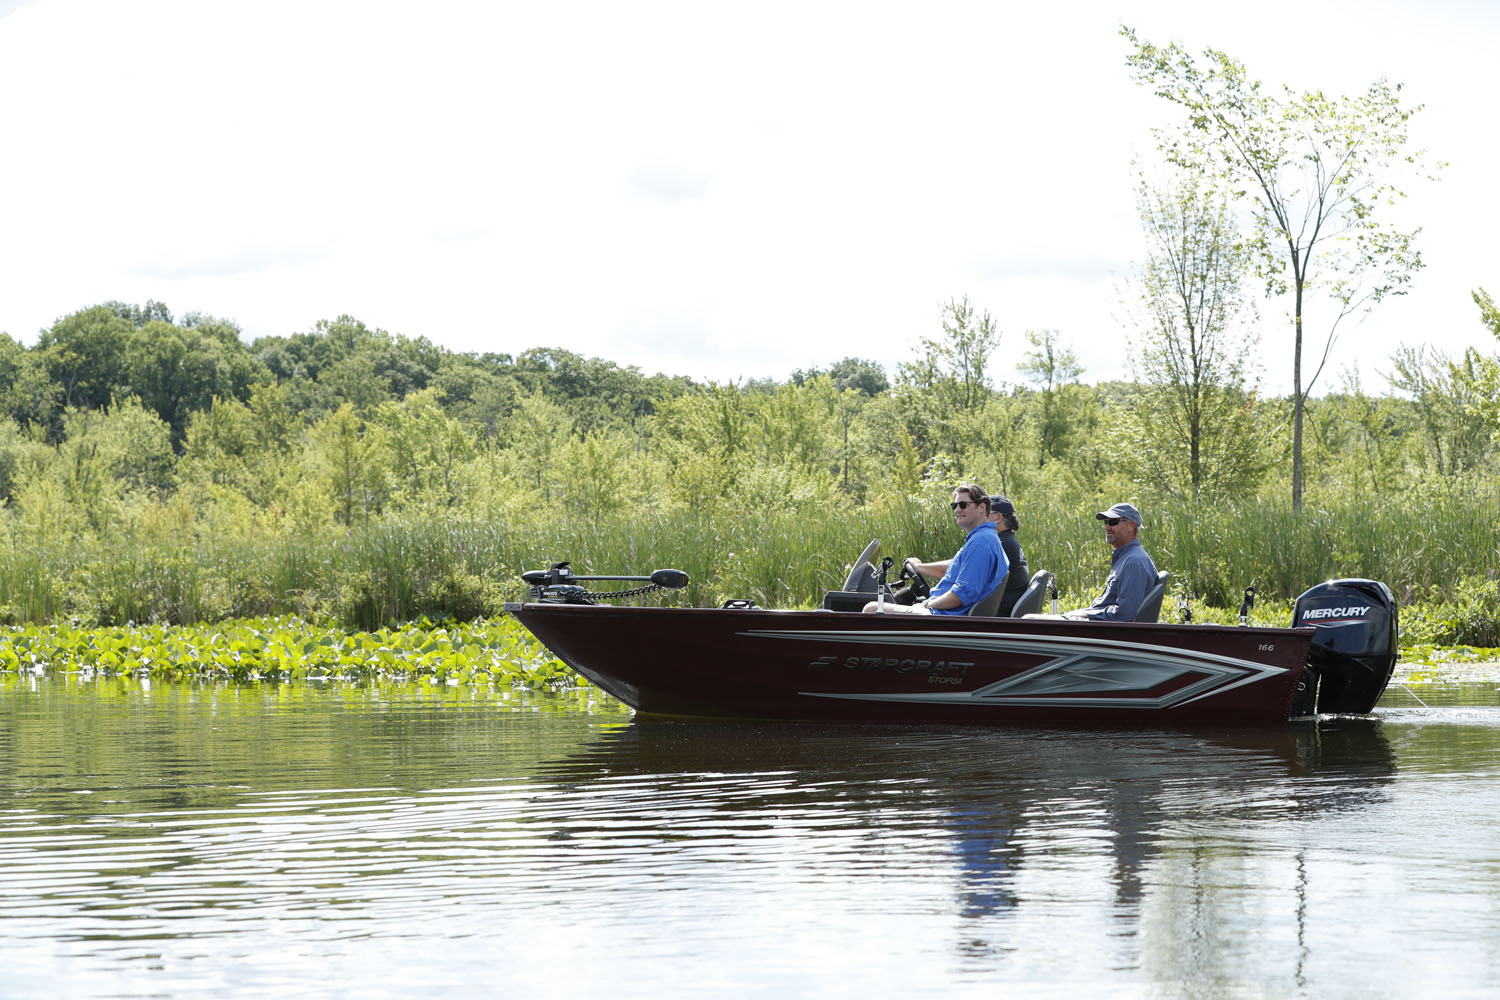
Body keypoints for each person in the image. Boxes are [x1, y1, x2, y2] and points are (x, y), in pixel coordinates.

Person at [863, 483, 1009, 615]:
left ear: (982, 507)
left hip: (944, 618)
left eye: (963, 505)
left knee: (871, 609)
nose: (957, 510)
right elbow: (953, 568)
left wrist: (927, 604)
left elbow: (961, 595)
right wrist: (918, 567)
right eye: (954, 506)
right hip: (945, 614)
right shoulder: (984, 538)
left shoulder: (980, 543)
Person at [925, 495, 1031, 616]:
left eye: (985, 512)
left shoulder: (995, 544)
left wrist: (919, 567)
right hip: (997, 611)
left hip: (991, 617)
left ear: (997, 517)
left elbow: (955, 570)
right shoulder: (1009, 541)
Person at [1060, 502, 1158, 621]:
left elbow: (1124, 615)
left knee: (1031, 619)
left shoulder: (1134, 562)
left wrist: (1086, 615)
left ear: (1131, 525)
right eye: (1105, 522)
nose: (1107, 527)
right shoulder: (1125, 558)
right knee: (1033, 619)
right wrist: (1082, 612)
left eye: (1113, 522)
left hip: (1103, 631)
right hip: (1096, 627)